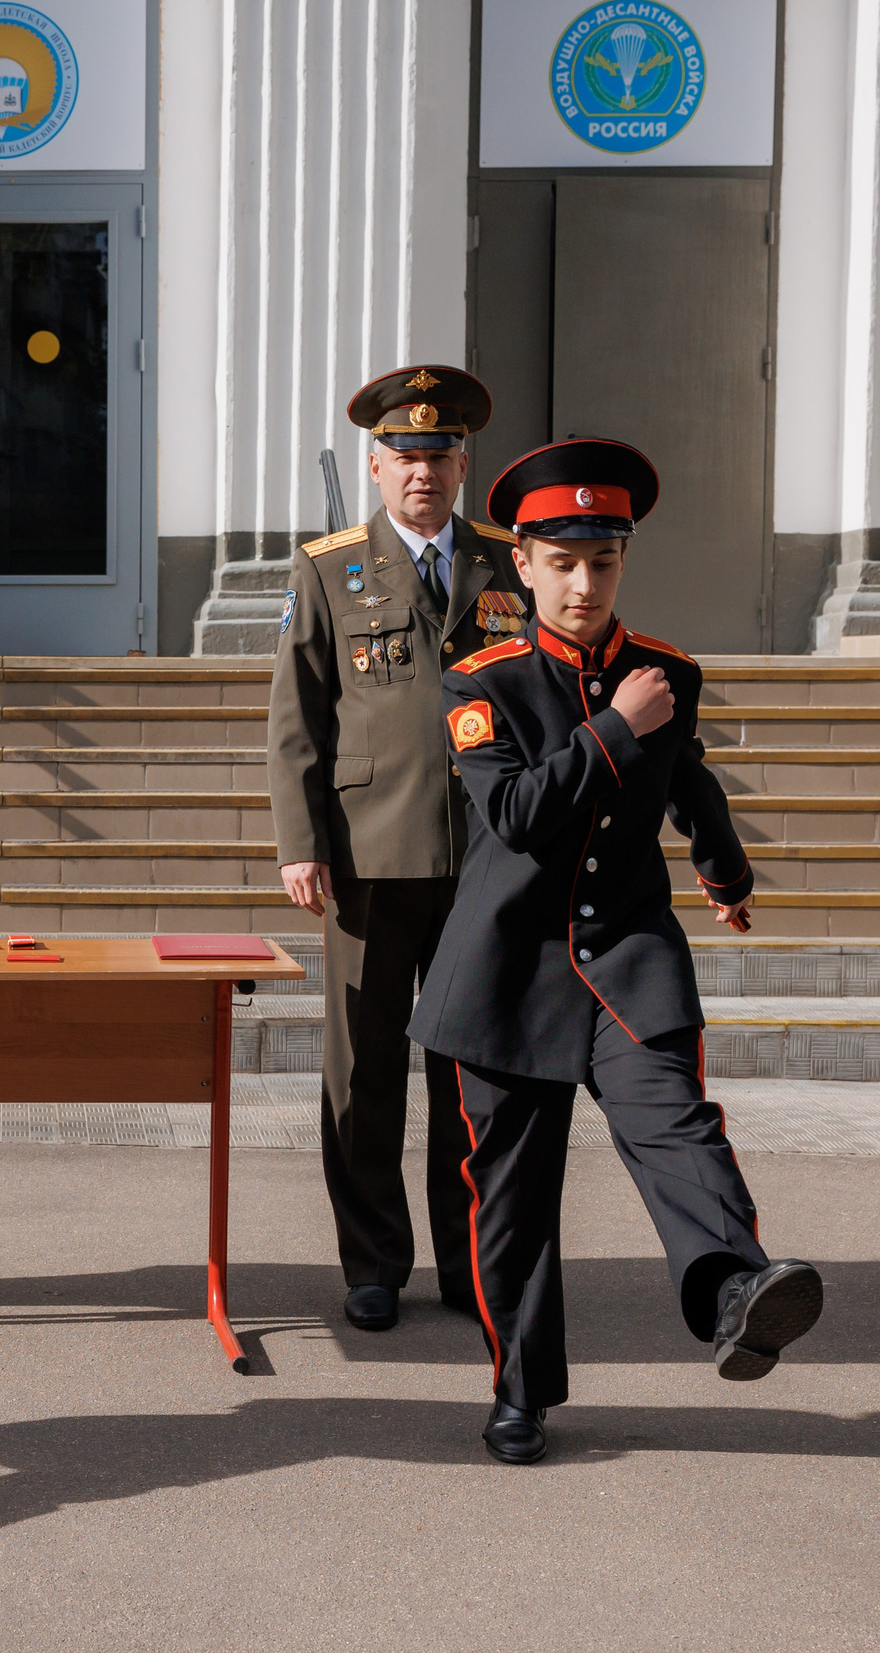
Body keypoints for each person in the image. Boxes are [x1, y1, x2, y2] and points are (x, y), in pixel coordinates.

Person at [409, 437, 823, 1466]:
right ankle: (519, 1390)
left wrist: (726, 875)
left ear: (621, 562)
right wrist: (614, 733)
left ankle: (732, 1287)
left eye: (602, 562)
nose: (584, 583)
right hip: (502, 974)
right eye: (563, 562)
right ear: (524, 566)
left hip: (626, 957)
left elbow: (694, 785)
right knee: (513, 1201)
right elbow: (512, 813)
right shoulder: (481, 681)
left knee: (675, 1124)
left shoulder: (667, 673)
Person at [268, 365, 533, 1332]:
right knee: (365, 1071)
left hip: (483, 860)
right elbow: (297, 721)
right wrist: (302, 844)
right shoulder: (327, 568)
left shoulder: (510, 565)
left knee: (471, 1076)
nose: (425, 471)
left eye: (441, 454)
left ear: (465, 465)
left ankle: (470, 1265)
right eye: (406, 456)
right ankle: (373, 1263)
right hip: (367, 855)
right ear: (375, 467)